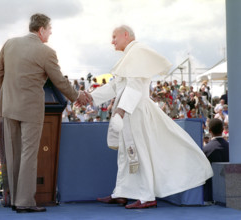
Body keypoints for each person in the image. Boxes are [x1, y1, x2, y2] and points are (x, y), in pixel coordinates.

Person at [86, 25, 213, 209]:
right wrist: (90, 97)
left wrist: (121, 112)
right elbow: (116, 87)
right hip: (128, 111)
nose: (112, 41)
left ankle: (146, 197)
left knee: (139, 152)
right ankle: (122, 193)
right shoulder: (129, 56)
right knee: (126, 153)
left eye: (114, 36)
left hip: (135, 111)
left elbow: (135, 86)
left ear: (125, 35)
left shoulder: (138, 52)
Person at [0, 13, 89, 213]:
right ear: (41, 30)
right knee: (29, 154)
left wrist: (9, 91)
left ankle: (12, 199)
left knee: (12, 153)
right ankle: (25, 202)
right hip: (31, 109)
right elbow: (59, 81)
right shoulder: (47, 52)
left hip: (9, 106)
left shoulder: (9, 44)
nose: (51, 33)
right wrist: (77, 96)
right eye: (50, 29)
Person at [203, 118, 229, 202]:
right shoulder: (231, 148)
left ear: (209, 130)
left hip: (210, 195)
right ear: (222, 129)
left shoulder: (206, 149)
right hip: (229, 192)